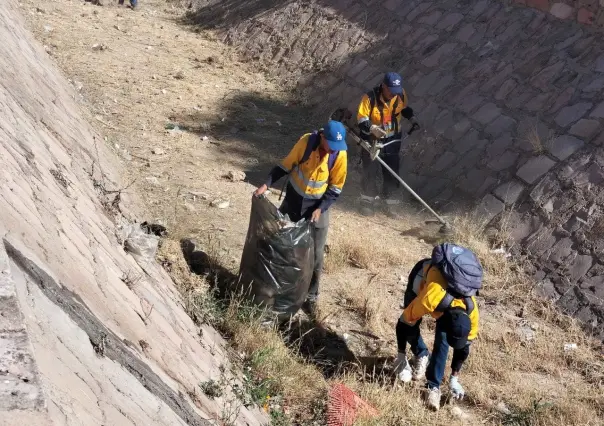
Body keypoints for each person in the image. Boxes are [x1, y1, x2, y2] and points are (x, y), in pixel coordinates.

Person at [254, 120, 348, 317]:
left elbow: (335, 188)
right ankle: (275, 288)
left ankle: (311, 297)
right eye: (331, 145)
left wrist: (320, 209)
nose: (333, 151)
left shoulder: (339, 154)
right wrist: (266, 184)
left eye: (337, 147)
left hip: (317, 208)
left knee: (316, 255)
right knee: (279, 243)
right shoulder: (306, 143)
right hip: (294, 201)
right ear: (323, 138)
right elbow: (285, 165)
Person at [394, 243, 482, 411]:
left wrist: (454, 379)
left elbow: (463, 349)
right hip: (421, 276)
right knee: (412, 326)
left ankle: (433, 387)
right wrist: (400, 355)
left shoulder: (472, 312)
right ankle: (421, 353)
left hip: (446, 306)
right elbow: (403, 322)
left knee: (443, 341)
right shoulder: (431, 297)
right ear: (442, 319)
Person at [357, 72, 419, 217]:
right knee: (370, 170)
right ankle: (367, 201)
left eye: (396, 90)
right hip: (372, 140)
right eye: (390, 90)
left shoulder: (400, 94)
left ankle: (390, 203)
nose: (393, 94)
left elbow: (404, 109)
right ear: (383, 86)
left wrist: (413, 119)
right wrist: (372, 128)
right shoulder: (369, 98)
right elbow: (361, 119)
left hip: (392, 140)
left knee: (392, 170)